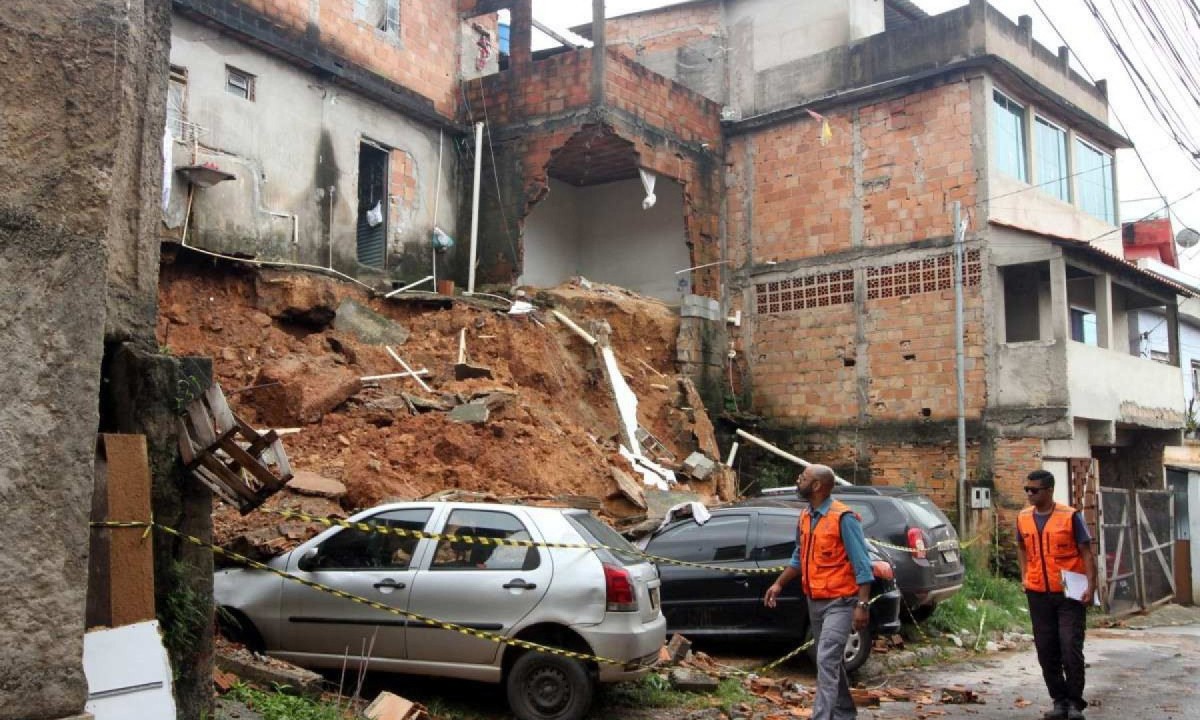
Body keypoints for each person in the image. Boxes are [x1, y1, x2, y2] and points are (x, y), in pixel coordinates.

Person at [764, 464, 874, 720]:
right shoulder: (806, 516)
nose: (797, 479)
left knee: (825, 658)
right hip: (815, 601)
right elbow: (798, 557)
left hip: (841, 602)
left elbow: (862, 564)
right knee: (830, 661)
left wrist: (862, 605)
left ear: (816, 486)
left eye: (803, 477)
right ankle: (845, 712)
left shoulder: (844, 518)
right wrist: (779, 583)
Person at [1017, 470, 1098, 720]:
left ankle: (1075, 702)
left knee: (1069, 647)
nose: (1030, 494)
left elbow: (1086, 552)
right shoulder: (1023, 517)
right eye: (1027, 490)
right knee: (1045, 649)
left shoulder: (1070, 516)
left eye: (1034, 490)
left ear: (1049, 491)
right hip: (1038, 592)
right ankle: (1059, 701)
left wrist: (1091, 586)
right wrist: (1024, 575)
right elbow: (1021, 547)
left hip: (1069, 594)